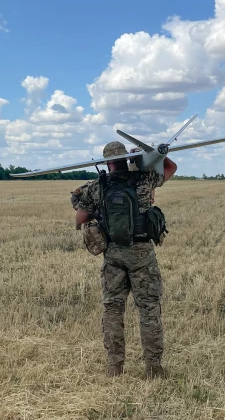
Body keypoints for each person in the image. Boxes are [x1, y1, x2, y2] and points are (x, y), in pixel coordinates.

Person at [71, 141, 177, 378]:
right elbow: (170, 167)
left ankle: (114, 368)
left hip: (114, 256)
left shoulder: (98, 186)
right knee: (149, 310)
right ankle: (153, 368)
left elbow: (80, 219)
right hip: (142, 254)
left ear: (107, 162)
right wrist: (146, 156)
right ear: (125, 159)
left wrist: (98, 212)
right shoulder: (144, 179)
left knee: (113, 310)